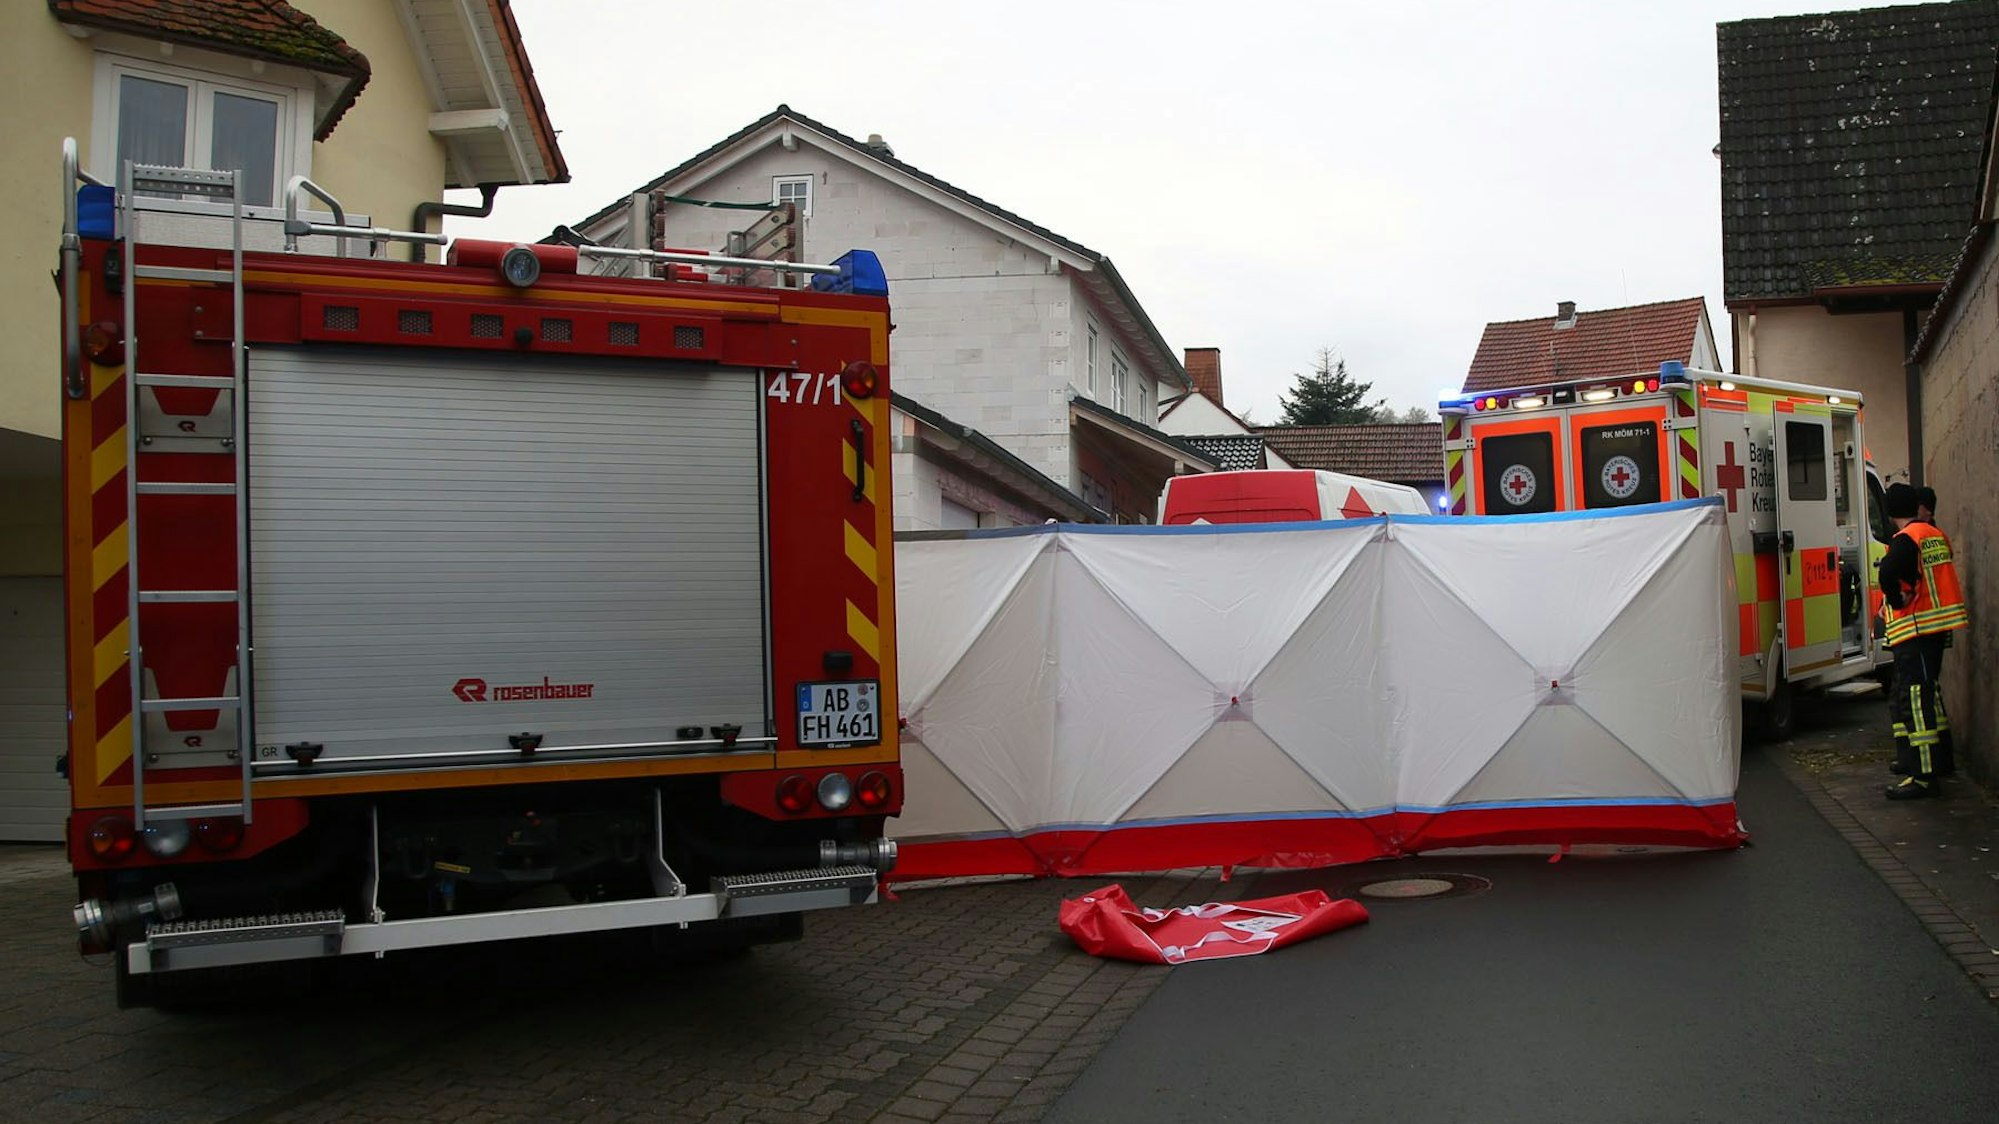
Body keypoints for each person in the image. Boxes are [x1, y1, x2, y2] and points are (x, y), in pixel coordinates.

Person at [1877, 483, 1968, 799]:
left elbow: (1886, 572)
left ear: (1890, 513)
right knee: (1930, 694)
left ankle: (1924, 776)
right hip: (1939, 624)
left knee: (1916, 699)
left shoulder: (1905, 539)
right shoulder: (1934, 534)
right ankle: (1941, 760)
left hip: (1916, 628)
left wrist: (1896, 596)